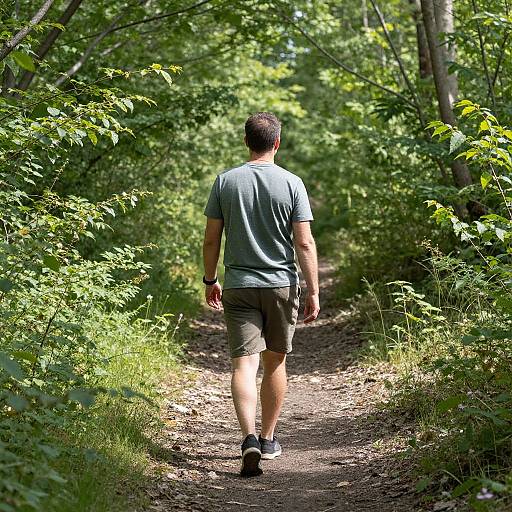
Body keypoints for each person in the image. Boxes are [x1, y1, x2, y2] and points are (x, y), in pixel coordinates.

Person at [202, 111, 320, 477]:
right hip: (281, 286)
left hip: (238, 285)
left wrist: (210, 280)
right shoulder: (292, 183)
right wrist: (313, 291)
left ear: (246, 141)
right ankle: (268, 440)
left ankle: (248, 437)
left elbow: (211, 238)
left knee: (243, 365)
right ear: (277, 143)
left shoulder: (226, 181)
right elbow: (304, 242)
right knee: (275, 362)